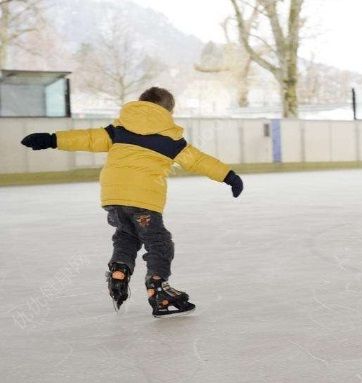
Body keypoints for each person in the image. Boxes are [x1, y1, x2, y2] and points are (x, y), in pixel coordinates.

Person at [20, 87, 243, 317]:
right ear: (168, 110)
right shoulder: (171, 138)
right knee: (159, 242)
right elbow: (199, 161)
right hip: (144, 200)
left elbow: (86, 138)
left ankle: (119, 271)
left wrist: (50, 139)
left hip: (113, 196)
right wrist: (229, 176)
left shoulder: (118, 129)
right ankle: (158, 289)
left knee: (127, 235)